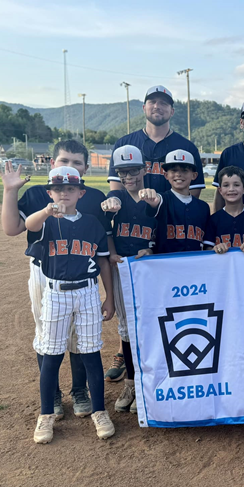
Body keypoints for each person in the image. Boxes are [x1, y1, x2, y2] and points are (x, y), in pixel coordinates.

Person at [1, 140, 106, 420]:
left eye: (77, 163)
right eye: (64, 160)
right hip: (44, 271)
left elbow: (101, 242)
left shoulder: (92, 196)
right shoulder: (38, 194)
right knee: (47, 333)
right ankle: (54, 395)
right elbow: (12, 228)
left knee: (80, 337)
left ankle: (79, 389)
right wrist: (10, 191)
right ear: (52, 163)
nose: (69, 167)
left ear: (85, 169)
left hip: (81, 271)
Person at [25, 166, 116, 443]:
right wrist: (46, 211)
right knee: (51, 354)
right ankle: (45, 415)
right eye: (58, 189)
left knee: (90, 352)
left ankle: (99, 411)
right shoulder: (46, 221)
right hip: (55, 293)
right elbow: (29, 225)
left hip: (87, 292)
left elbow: (102, 261)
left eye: (70, 189)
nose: (64, 193)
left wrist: (109, 296)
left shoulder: (92, 223)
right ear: (50, 192)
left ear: (81, 192)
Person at [98, 145, 158, 414]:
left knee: (151, 326)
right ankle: (132, 382)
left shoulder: (155, 197)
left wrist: (153, 247)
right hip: (123, 268)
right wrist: (111, 252)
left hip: (149, 271)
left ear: (144, 169)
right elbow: (105, 230)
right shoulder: (115, 198)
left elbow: (164, 230)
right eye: (122, 172)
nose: (128, 176)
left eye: (133, 170)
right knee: (127, 328)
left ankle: (150, 381)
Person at [107, 85, 205, 198]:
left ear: (172, 111)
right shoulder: (124, 144)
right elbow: (116, 188)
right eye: (152, 102)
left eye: (163, 103)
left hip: (172, 214)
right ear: (144, 108)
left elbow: (194, 191)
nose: (157, 106)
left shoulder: (187, 147)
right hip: (134, 214)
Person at [138, 149, 211, 254]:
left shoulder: (203, 207)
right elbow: (156, 201)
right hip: (166, 265)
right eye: (174, 170)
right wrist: (151, 197)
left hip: (194, 265)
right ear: (166, 175)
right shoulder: (163, 199)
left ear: (194, 175)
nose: (178, 174)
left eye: (184, 170)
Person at [204, 166, 244, 254]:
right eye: (226, 185)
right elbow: (207, 249)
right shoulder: (214, 219)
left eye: (236, 185)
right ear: (220, 190)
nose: (231, 189)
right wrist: (216, 249)